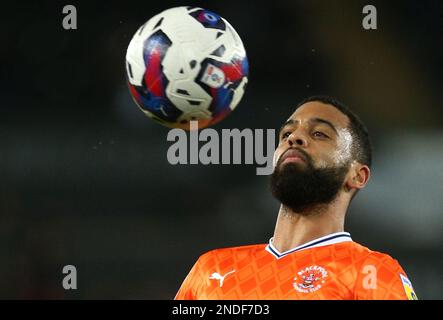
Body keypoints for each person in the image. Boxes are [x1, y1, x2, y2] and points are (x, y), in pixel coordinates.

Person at [175, 96, 418, 300]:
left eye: (320, 134)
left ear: (357, 175)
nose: (294, 138)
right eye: (287, 133)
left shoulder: (371, 271)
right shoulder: (211, 269)